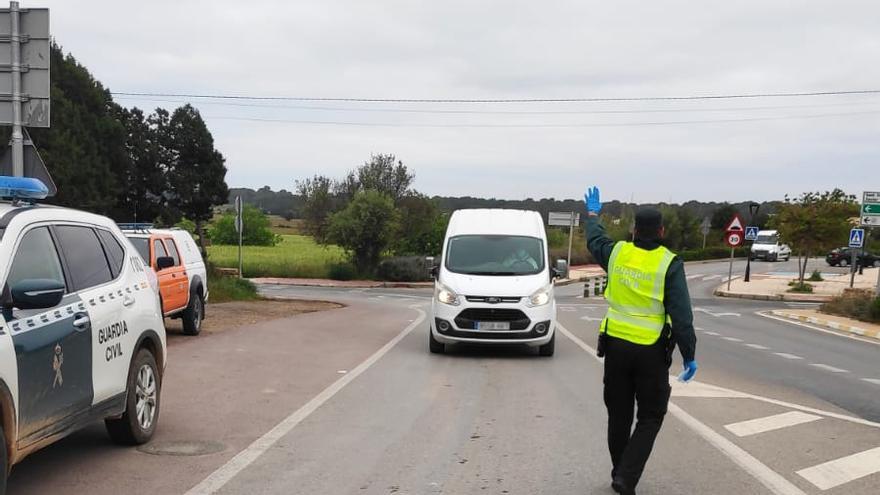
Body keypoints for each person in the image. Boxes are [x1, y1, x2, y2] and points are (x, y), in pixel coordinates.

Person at [583, 186, 698, 495]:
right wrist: (689, 355)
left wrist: (593, 214)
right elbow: (682, 316)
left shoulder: (618, 252)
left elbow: (595, 239)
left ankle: (620, 472)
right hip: (650, 351)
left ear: (633, 230)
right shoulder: (669, 263)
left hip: (616, 348)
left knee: (618, 415)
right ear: (661, 231)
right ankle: (626, 476)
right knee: (650, 416)